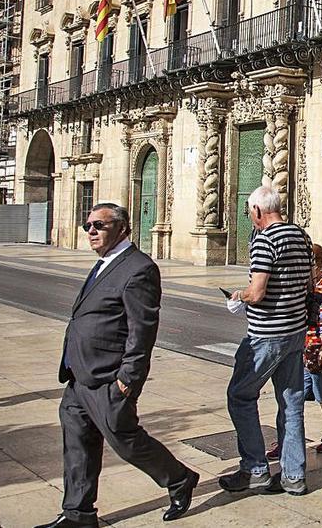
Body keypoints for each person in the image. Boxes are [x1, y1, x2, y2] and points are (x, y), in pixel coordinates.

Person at [35, 203, 198, 528]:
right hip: (79, 377)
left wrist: (128, 380)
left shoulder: (138, 268)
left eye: (99, 225)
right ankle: (78, 515)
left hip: (109, 378)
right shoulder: (105, 263)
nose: (91, 231)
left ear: (122, 228)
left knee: (126, 442)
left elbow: (142, 329)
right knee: (77, 447)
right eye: (88, 225)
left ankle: (179, 477)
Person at [221, 186, 312, 496]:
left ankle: (255, 470)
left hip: (266, 335)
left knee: (240, 395)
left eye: (250, 212)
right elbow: (307, 283)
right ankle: (293, 477)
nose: (250, 217)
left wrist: (238, 297)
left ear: (258, 211)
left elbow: (257, 292)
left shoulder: (264, 239)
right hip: (295, 331)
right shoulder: (301, 236)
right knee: (291, 403)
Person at [268, 244, 322, 461]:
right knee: (292, 398)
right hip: (302, 352)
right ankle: (286, 439)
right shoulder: (303, 287)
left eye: (306, 264)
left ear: (318, 265)